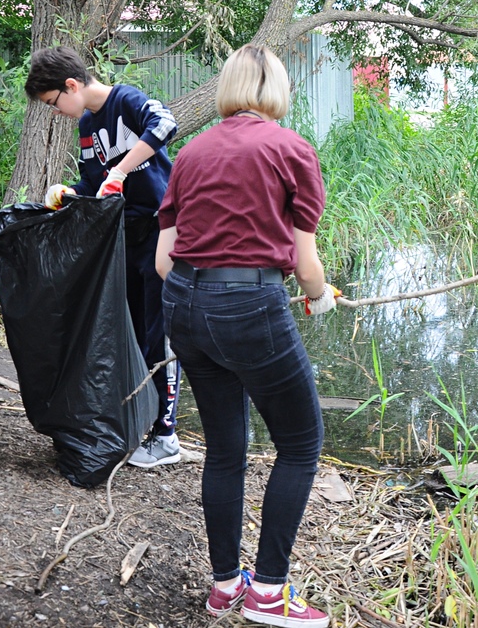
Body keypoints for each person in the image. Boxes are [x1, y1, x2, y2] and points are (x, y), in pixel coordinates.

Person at [156, 43, 339, 628]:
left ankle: (224, 586)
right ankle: (268, 594)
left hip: (182, 303)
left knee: (225, 447)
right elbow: (307, 267)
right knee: (301, 443)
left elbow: (164, 259)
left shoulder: (191, 152)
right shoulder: (291, 149)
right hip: (249, 306)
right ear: (278, 91)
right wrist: (318, 294)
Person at [24, 46, 202, 468]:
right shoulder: (87, 125)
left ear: (71, 85)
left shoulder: (127, 100)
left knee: (160, 335)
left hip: (163, 234)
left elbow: (166, 124)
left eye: (53, 103)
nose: (55, 112)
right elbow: (96, 184)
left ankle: (167, 436)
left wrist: (122, 171)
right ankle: (144, 419)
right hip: (127, 239)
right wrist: (67, 192)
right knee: (136, 333)